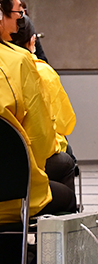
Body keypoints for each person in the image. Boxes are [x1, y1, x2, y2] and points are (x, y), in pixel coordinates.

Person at [0, 0, 76, 264]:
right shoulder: (19, 63)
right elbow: (44, 143)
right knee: (66, 196)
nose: (20, 21)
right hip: (11, 196)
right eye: (17, 13)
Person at [10, 14, 78, 175]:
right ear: (33, 40)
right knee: (67, 161)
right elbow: (64, 123)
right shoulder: (42, 71)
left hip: (8, 154)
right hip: (35, 155)